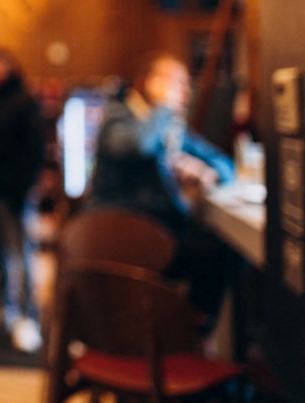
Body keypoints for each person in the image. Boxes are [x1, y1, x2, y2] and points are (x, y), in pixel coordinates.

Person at [88, 51, 234, 324]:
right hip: (118, 236)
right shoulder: (117, 117)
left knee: (222, 251)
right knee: (212, 254)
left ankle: (186, 332)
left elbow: (225, 164)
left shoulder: (168, 127)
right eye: (176, 83)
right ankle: (181, 333)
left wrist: (206, 170)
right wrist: (165, 106)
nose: (184, 93)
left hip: (156, 231)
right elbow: (141, 146)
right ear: (147, 83)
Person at [0, 47, 45, 353]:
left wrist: (25, 185)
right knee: (1, 252)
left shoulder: (24, 101)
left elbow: (34, 149)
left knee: (22, 253)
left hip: (16, 189)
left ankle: (30, 316)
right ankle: (5, 308)